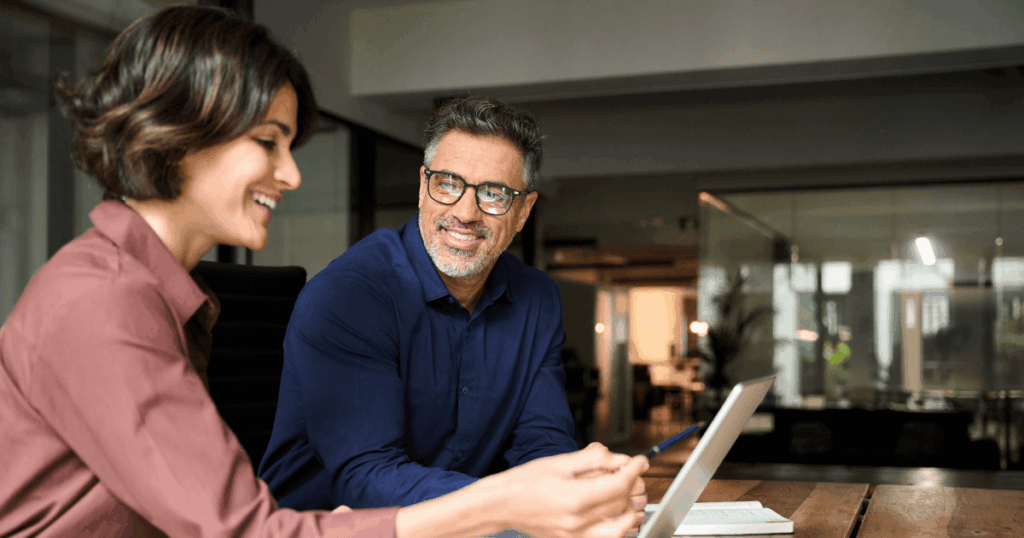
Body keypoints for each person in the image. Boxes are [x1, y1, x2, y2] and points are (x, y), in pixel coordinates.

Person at [0, 6, 649, 537]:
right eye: (267, 142)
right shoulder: (105, 300)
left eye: (289, 145)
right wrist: (509, 503)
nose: (291, 174)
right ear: (181, 134)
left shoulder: (160, 293)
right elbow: (246, 531)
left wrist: (554, 495)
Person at [257, 95, 647, 515]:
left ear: (523, 211)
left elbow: (541, 443)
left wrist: (580, 489)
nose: (464, 212)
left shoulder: (537, 299)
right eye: (447, 183)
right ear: (423, 187)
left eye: (494, 194)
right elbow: (367, 480)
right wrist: (517, 503)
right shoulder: (349, 296)